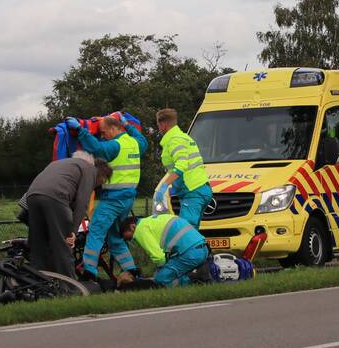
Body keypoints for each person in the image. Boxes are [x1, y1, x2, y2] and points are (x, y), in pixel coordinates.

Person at [67, 114, 148, 280]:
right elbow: (143, 139)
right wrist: (127, 124)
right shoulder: (135, 143)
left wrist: (80, 130)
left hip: (112, 200)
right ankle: (131, 271)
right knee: (115, 237)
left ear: (113, 128)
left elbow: (97, 150)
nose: (102, 136)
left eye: (104, 132)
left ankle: (89, 273)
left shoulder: (114, 146)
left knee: (96, 231)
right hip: (127, 200)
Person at [24, 152, 112, 279]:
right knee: (64, 245)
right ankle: (69, 287)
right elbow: (82, 203)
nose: (99, 184)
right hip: (56, 197)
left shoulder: (63, 163)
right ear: (101, 174)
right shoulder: (90, 170)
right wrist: (73, 232)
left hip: (32, 196)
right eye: (102, 180)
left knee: (39, 246)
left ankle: (39, 283)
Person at [153, 108, 212, 228]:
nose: (158, 127)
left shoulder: (175, 140)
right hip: (199, 189)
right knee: (192, 233)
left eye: (158, 124)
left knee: (185, 232)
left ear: (163, 125)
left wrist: (164, 185)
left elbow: (181, 165)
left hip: (193, 191)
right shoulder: (184, 137)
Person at [120, 213, 208, 287]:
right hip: (203, 249)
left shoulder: (139, 230)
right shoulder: (150, 221)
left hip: (190, 253)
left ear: (132, 227)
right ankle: (200, 274)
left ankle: (195, 280)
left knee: (160, 279)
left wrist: (160, 271)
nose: (128, 239)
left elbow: (159, 257)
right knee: (164, 274)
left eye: (127, 236)